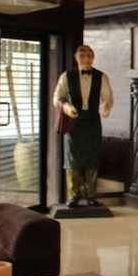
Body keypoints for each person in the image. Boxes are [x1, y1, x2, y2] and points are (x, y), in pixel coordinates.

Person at [53, 44, 113, 208]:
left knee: (92, 158)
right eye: (82, 55)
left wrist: (106, 106)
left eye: (89, 55)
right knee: (72, 160)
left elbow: (107, 97)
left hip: (92, 121)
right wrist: (66, 107)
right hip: (74, 121)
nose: (86, 58)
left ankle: (91, 196)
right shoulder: (67, 76)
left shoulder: (101, 77)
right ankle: (73, 196)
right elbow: (57, 96)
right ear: (76, 57)